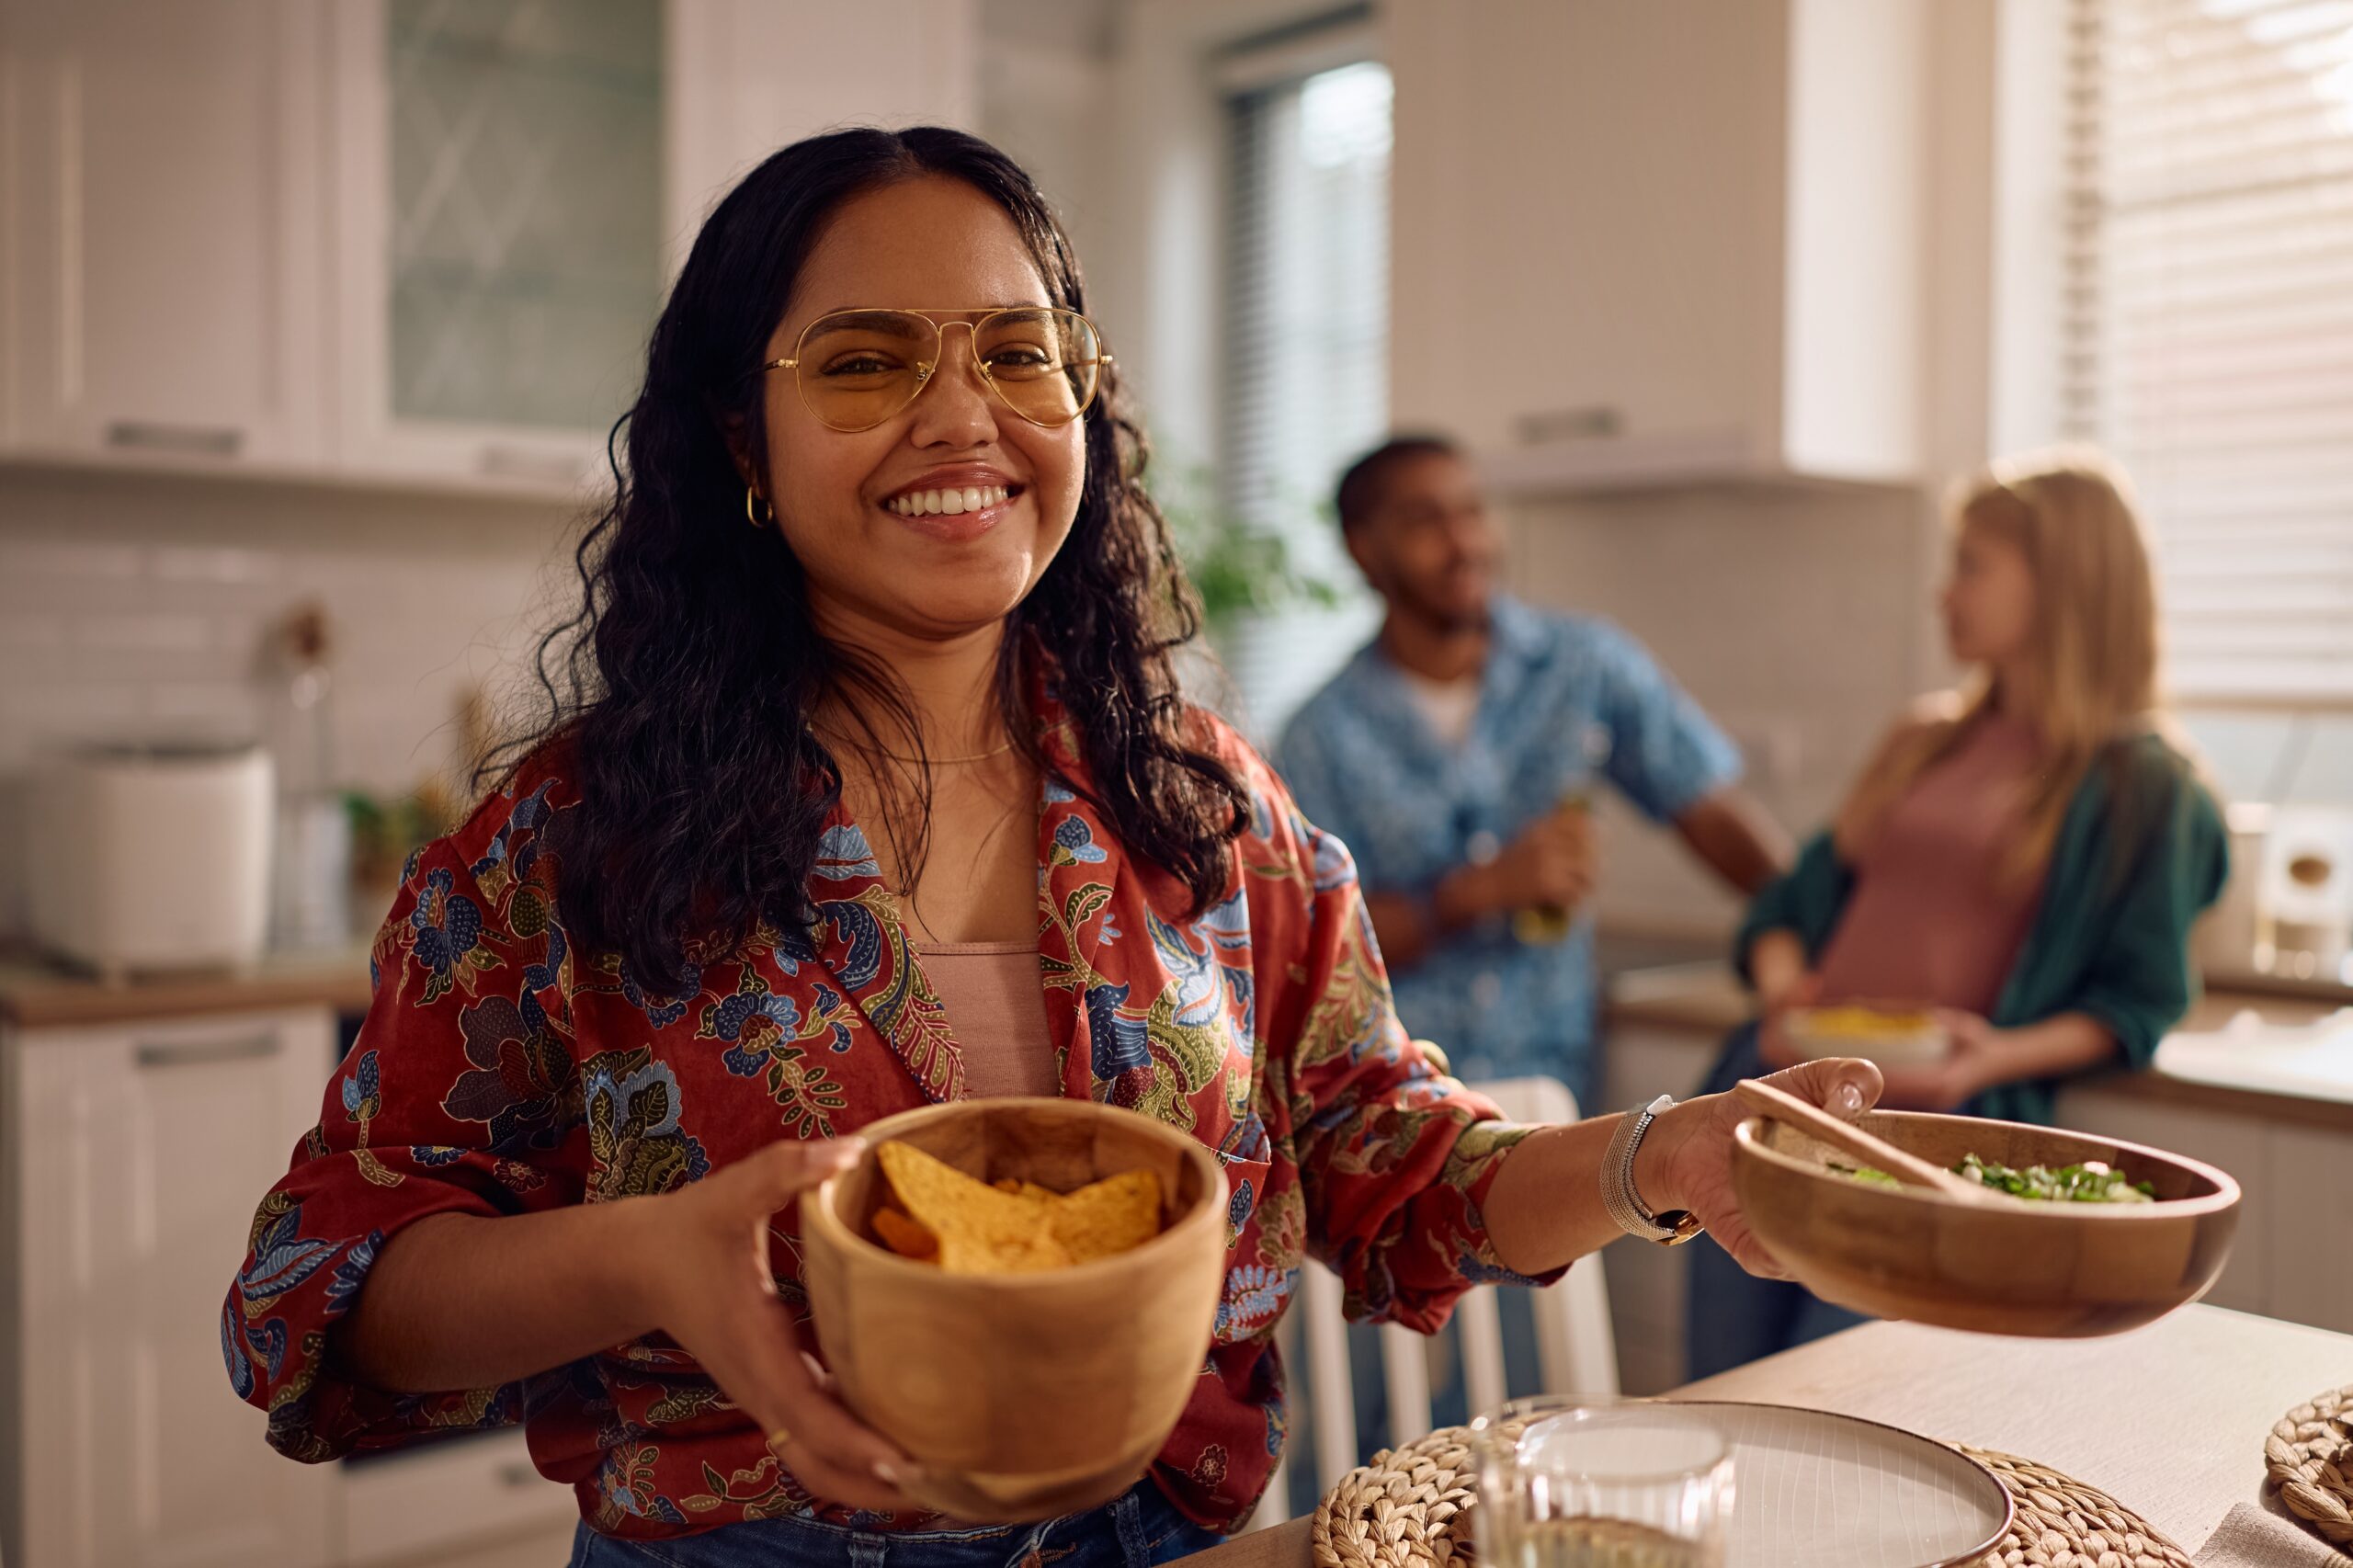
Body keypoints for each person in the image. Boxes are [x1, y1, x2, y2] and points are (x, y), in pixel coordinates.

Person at [222, 127, 1881, 1568]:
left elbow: (1392, 1168)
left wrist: (1663, 1158)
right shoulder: (568, 842)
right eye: (868, 360)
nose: (966, 418)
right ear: (741, 437)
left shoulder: (1205, 807)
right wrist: (646, 1253)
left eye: (1019, 353)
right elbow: (319, 1285)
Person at [1685, 449, 2228, 1380]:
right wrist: (1786, 988)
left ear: (2061, 583)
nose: (1946, 592)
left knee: (1839, 1396)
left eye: (1973, 565)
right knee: (1717, 1383)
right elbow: (1786, 905)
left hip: (1930, 1136)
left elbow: (2138, 1000)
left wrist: (1995, 1052)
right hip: (1776, 1093)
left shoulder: (2144, 787)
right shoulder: (1923, 739)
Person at [1277, 436, 1790, 1115]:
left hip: (1554, 1081)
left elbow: (1709, 810)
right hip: (1393, 1098)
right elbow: (1313, 951)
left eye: (1472, 512)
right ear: (1363, 547)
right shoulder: (1320, 733)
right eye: (1426, 521)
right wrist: (1476, 892)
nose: (1464, 543)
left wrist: (1812, 924)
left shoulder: (1585, 665)